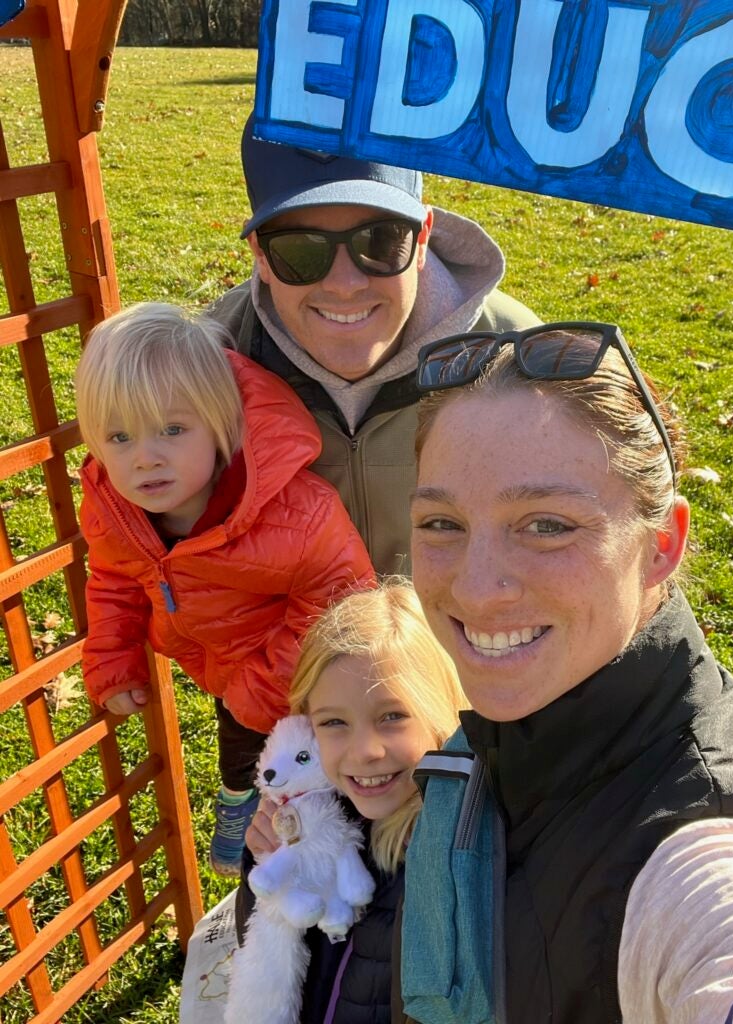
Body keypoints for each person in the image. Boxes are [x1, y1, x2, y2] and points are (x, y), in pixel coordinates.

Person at [403, 321, 733, 1024]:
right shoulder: (525, 721)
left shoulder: (714, 852)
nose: (476, 591)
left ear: (661, 546)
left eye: (546, 525)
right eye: (441, 524)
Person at [206, 116, 541, 852]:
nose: (345, 282)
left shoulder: (518, 361)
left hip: (469, 692)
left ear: (423, 236)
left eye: (377, 243)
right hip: (306, 709)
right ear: (259, 254)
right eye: (301, 251)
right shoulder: (214, 363)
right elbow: (133, 499)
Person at [74, 302, 374, 875]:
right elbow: (113, 578)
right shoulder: (117, 510)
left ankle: (315, 839)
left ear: (221, 426)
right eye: (119, 437)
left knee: (309, 767)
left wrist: (258, 688)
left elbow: (340, 600)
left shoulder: (297, 514)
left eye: (173, 429)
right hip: (220, 664)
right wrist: (113, 658)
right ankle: (243, 799)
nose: (146, 457)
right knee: (241, 750)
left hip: (304, 673)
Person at [235, 580, 466, 1023]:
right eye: (334, 722)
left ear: (441, 711)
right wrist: (265, 868)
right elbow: (270, 946)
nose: (364, 751)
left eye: (392, 717)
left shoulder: (448, 849)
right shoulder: (319, 811)